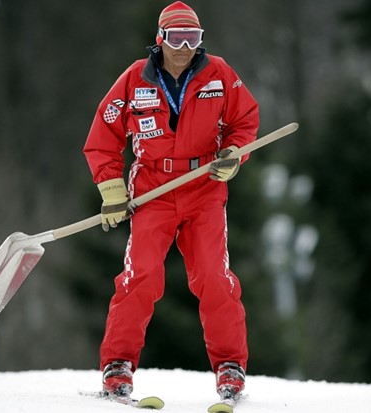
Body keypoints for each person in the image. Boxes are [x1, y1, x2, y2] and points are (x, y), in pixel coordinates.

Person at [83, 1, 259, 401]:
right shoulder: (135, 80)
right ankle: (118, 366)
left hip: (204, 186)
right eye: (176, 37)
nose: (184, 46)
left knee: (214, 276)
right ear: (160, 37)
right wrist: (112, 190)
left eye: (193, 38)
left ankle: (230, 366)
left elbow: (245, 119)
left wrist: (233, 155)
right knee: (141, 273)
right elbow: (104, 134)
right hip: (153, 187)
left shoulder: (219, 73)